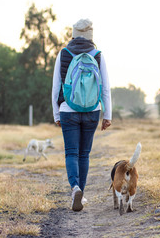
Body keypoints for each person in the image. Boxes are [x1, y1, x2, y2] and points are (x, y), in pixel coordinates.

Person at [51, 18, 112, 212]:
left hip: (68, 109)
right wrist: (107, 114)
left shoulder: (64, 54)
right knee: (84, 154)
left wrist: (56, 114)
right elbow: (105, 89)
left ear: (73, 35)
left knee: (71, 152)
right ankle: (81, 195)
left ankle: (75, 188)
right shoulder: (98, 55)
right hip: (92, 110)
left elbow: (55, 87)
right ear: (91, 36)